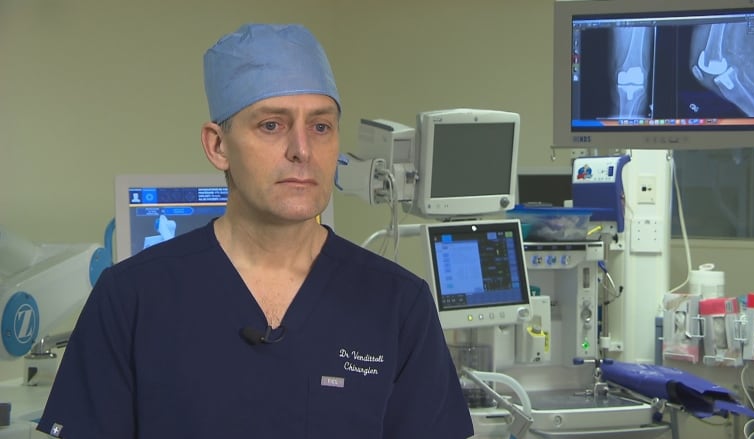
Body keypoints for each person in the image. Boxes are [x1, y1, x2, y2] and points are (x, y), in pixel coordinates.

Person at [37, 23, 474, 438]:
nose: (302, 150)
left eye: (320, 127)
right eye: (272, 125)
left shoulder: (398, 304)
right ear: (218, 145)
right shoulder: (131, 299)